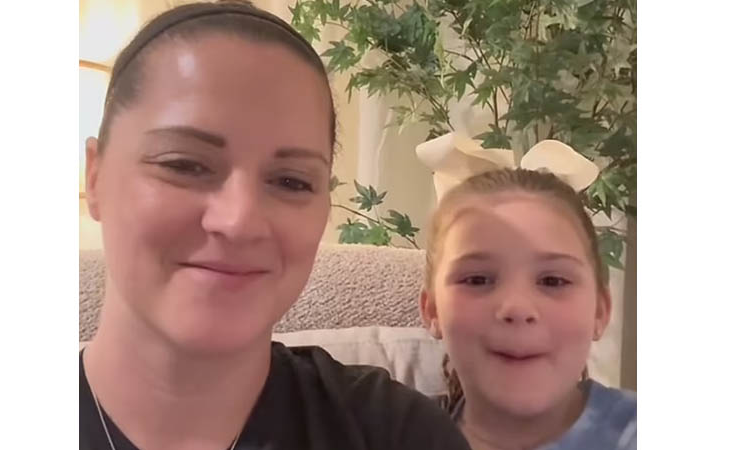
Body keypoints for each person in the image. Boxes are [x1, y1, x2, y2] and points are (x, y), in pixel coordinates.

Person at [79, 1, 471, 449]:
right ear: (95, 177)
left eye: (291, 181)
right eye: (184, 164)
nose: (239, 221)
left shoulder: (398, 433)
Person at [419, 169, 636, 449]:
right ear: (432, 309)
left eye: (553, 281)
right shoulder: (394, 433)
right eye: (477, 280)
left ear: (600, 311)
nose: (517, 307)